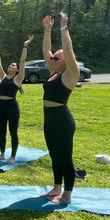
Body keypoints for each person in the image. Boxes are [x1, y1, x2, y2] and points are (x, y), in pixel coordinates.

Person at [42, 12, 79, 204]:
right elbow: (46, 50)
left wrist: (64, 27)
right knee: (54, 155)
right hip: (49, 120)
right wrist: (47, 30)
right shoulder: (54, 73)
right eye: (53, 58)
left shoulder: (70, 74)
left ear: (66, 60)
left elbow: (69, 50)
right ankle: (56, 187)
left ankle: (67, 195)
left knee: (65, 157)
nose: (53, 59)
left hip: (63, 121)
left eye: (57, 57)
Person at [0, 36, 34, 163]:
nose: (11, 65)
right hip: (1, 106)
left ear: (16, 70)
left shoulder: (18, 78)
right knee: (2, 131)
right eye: (10, 64)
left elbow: (22, 62)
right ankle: (2, 153)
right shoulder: (3, 77)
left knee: (13, 132)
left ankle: (13, 156)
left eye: (13, 65)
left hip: (12, 107)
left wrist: (25, 45)